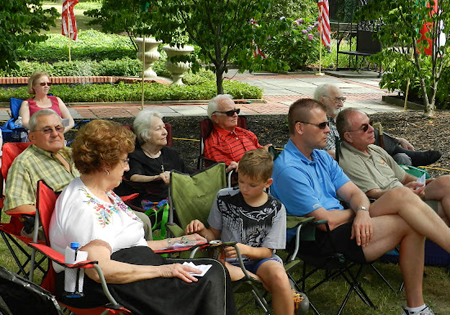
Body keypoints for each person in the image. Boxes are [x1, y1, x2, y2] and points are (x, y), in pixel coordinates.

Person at [270, 98, 450, 315]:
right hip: (319, 239)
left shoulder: (320, 157)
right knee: (403, 201)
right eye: (322, 125)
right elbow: (323, 220)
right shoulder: (289, 169)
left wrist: (363, 212)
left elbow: (354, 193)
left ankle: (416, 308)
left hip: (345, 224)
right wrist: (358, 213)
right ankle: (416, 308)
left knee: (407, 210)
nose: (328, 130)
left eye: (328, 123)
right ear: (300, 128)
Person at [49, 119, 238, 315]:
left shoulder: (104, 192)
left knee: (215, 270)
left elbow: (126, 244)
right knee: (208, 279)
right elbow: (99, 270)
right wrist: (163, 271)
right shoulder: (83, 207)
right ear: (106, 164)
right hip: (108, 286)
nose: (127, 168)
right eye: (124, 161)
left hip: (135, 268)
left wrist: (176, 242)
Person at [185, 149, 305, 315]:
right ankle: (272, 286)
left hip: (261, 260)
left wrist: (245, 249)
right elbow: (213, 235)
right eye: (241, 181)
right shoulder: (224, 198)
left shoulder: (276, 208)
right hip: (229, 262)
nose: (244, 188)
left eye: (252, 185)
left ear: (267, 183)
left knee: (278, 275)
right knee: (217, 268)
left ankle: (273, 285)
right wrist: (201, 229)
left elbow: (267, 252)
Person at [3, 109, 152, 240]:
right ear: (32, 137)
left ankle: (139, 263)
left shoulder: (70, 153)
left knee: (140, 221)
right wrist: (55, 208)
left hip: (93, 208)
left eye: (59, 128)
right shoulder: (25, 163)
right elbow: (15, 206)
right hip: (62, 222)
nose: (55, 134)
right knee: (138, 223)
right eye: (47, 130)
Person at [337, 107, 450, 226]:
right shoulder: (348, 161)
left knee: (445, 182)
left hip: (407, 194)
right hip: (394, 205)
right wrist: (405, 192)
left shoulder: (375, 150)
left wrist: (425, 183)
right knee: (444, 206)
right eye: (364, 128)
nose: (372, 129)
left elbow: (405, 178)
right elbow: (373, 194)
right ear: (348, 136)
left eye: (370, 124)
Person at [314, 84, 441, 166]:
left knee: (401, 157)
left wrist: (398, 140)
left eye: (343, 100)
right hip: (355, 158)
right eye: (337, 99)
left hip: (366, 150)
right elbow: (330, 152)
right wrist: (360, 153)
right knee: (365, 130)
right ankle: (413, 157)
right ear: (322, 100)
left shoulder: (338, 118)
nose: (341, 104)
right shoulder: (320, 123)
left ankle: (400, 150)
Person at [122, 110, 194, 204]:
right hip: (153, 204)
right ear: (144, 135)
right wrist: (156, 177)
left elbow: (188, 172)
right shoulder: (135, 154)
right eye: (158, 129)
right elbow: (134, 177)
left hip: (180, 198)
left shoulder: (171, 152)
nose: (165, 132)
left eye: (164, 127)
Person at [205, 94, 271, 172]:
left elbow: (260, 151)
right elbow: (227, 170)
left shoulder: (246, 134)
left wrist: (265, 151)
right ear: (215, 118)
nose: (236, 115)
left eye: (237, 111)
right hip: (248, 180)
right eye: (230, 113)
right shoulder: (215, 143)